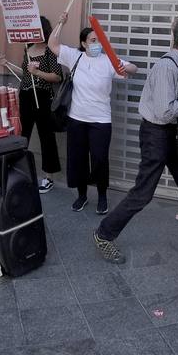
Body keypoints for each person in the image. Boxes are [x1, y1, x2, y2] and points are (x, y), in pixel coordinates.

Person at [93, 15, 178, 263]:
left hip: (177, 133)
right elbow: (164, 111)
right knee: (144, 192)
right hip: (157, 133)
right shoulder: (167, 67)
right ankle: (103, 234)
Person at [49, 18, 137, 215]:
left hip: (101, 121)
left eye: (99, 40)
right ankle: (82, 196)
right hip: (76, 119)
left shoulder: (108, 60)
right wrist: (61, 22)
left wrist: (126, 69)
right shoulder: (75, 57)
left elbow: (133, 69)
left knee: (99, 159)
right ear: (83, 44)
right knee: (77, 159)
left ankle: (102, 196)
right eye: (92, 40)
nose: (96, 44)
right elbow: (52, 44)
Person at [19, 16, 62, 192]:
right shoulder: (27, 49)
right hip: (25, 95)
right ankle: (18, 172)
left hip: (43, 96)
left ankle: (48, 177)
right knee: (22, 135)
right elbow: (25, 73)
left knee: (46, 136)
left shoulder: (50, 51)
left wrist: (37, 72)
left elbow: (57, 76)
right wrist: (7, 65)